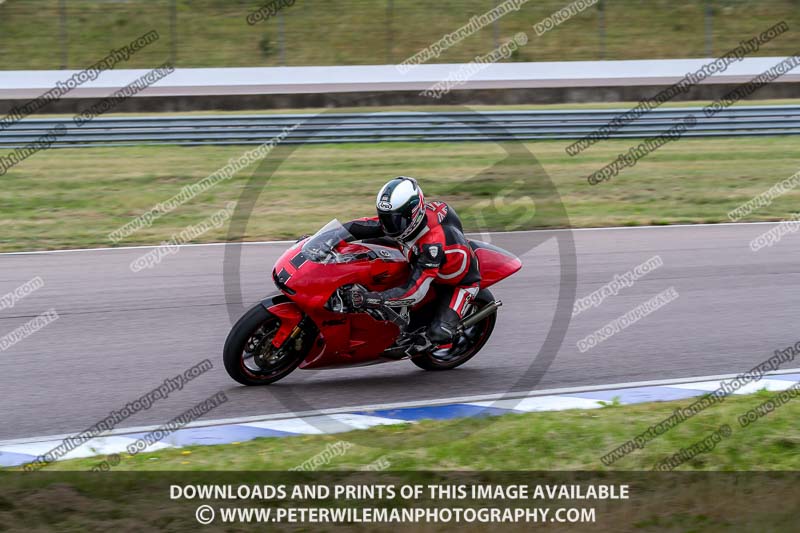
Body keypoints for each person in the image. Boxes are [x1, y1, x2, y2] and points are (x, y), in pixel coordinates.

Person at [342, 176, 481, 356]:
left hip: (458, 283)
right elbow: (361, 225)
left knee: (439, 333)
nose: (388, 225)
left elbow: (414, 292)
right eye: (386, 217)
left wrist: (369, 298)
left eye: (396, 220)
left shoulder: (431, 246)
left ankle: (437, 334)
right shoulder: (405, 222)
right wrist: (319, 239)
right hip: (419, 254)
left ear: (413, 214)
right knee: (362, 249)